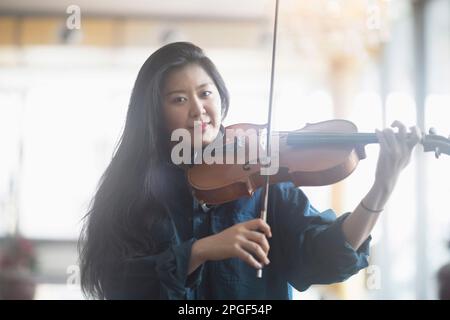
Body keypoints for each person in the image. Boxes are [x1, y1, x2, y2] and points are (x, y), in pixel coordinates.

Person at [78, 42, 422, 299]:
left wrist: (383, 187)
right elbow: (117, 281)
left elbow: (326, 255)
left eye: (205, 93)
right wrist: (200, 250)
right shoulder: (135, 188)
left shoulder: (263, 174)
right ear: (154, 112)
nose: (199, 110)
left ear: (220, 97)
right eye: (179, 99)